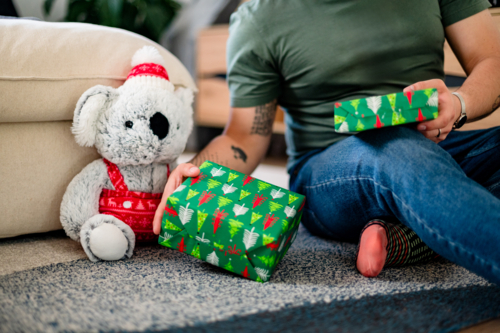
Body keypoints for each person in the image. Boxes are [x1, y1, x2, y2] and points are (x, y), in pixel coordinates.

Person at [154, 0, 500, 284]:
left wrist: (458, 103)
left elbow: (492, 60)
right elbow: (244, 136)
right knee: (395, 149)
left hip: (441, 145)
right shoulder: (259, 19)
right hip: (329, 172)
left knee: (415, 155)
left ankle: (406, 241)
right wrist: (197, 171)